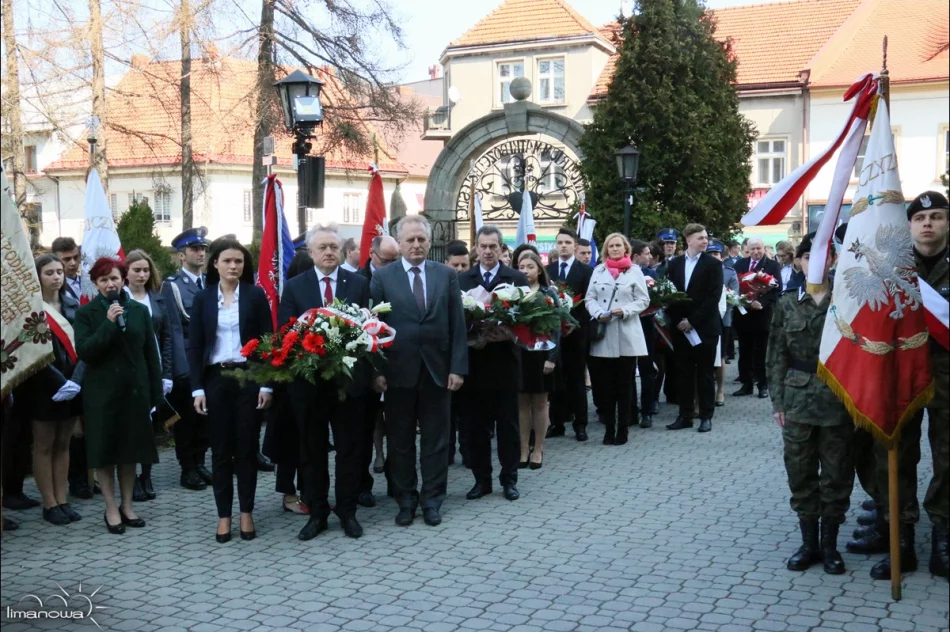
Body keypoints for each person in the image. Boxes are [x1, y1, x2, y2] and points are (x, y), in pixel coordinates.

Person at [868, 191, 949, 581]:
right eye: (920, 218)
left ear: (947, 222)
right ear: (909, 226)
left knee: (948, 459)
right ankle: (900, 539)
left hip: (947, 375)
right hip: (900, 374)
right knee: (896, 456)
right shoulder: (891, 267)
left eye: (936, 216)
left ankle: (943, 540)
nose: (928, 223)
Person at [371, 216, 468, 527]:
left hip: (437, 371)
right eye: (410, 240)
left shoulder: (445, 275)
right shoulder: (383, 278)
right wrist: (377, 371)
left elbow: (457, 325)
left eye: (421, 240)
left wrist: (457, 368)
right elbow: (371, 328)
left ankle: (432, 499)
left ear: (429, 243)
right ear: (399, 243)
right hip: (398, 372)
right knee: (399, 441)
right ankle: (406, 499)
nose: (416, 245)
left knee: (436, 441)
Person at [767, 233, 853, 575]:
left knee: (836, 475)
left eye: (822, 255)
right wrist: (778, 401)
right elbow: (776, 355)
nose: (814, 261)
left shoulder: (848, 300)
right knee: (800, 473)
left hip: (838, 399)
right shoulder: (788, 303)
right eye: (807, 256)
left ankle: (830, 545)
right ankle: (809, 544)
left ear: (832, 260)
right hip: (798, 398)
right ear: (799, 262)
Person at [278, 226, 370, 541]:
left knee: (350, 449)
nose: (329, 252)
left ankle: (347, 511)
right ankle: (317, 513)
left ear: (342, 251)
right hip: (310, 385)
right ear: (311, 253)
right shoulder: (294, 287)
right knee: (312, 450)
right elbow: (286, 332)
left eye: (333, 246)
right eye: (322, 247)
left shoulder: (358, 284)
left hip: (348, 384)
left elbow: (366, 330)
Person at [189, 239, 273, 543]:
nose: (233, 266)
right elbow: (195, 345)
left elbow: (267, 342)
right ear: (215, 264)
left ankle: (246, 513)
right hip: (215, 379)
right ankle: (224, 515)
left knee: (247, 447)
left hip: (248, 378)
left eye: (238, 261)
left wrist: (266, 383)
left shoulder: (254, 296)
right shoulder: (203, 299)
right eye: (227, 261)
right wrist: (197, 388)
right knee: (221, 449)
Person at [74, 257, 162, 535]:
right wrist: (109, 323)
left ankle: (127, 506)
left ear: (122, 278)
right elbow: (86, 351)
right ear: (96, 284)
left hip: (134, 392)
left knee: (129, 452)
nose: (110, 284)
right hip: (102, 394)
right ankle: (110, 508)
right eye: (103, 280)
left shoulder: (137, 310)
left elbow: (150, 353)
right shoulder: (86, 314)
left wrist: (155, 394)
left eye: (114, 278)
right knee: (105, 453)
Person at [458, 225, 528, 501]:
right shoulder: (463, 280)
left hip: (505, 363)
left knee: (508, 425)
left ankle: (509, 479)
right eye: (483, 246)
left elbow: (527, 321)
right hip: (474, 364)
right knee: (475, 427)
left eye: (493, 247)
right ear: (475, 248)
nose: (488, 251)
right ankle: (481, 480)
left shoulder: (516, 278)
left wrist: (508, 334)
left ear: (501, 249)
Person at [13, 254, 85, 525]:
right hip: (44, 387)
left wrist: (76, 381)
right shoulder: (31, 309)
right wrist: (58, 382)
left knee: (64, 444)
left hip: (72, 384)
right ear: (37, 276)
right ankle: (49, 503)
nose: (56, 277)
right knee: (44, 445)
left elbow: (83, 347)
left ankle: (62, 498)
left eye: (59, 272)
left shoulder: (72, 304)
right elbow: (30, 352)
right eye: (49, 273)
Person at [586, 233, 650, 445]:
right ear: (606, 250)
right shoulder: (598, 270)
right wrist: (597, 313)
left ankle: (623, 428)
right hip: (604, 334)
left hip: (626, 332)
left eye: (618, 246)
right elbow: (589, 298)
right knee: (605, 386)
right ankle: (608, 428)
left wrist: (624, 310)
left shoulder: (635, 271)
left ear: (625, 249)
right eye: (611, 246)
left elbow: (643, 300)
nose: (614, 249)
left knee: (624, 385)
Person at [162, 227, 213, 491]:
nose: (201, 253)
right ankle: (187, 468)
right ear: (182, 256)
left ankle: (201, 462)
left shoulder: (210, 283)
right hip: (188, 364)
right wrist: (181, 371)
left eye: (203, 249)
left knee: (205, 418)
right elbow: (172, 329)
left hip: (210, 361)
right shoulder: (173, 286)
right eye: (195, 249)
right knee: (187, 420)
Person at [124, 250, 176, 501]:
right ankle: (130, 478)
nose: (142, 275)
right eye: (136, 270)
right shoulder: (119, 299)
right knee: (131, 428)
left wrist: (167, 373)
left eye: (146, 270)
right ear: (126, 272)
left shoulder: (157, 299)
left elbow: (166, 338)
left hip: (153, 370)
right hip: (129, 373)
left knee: (149, 429)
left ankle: (147, 476)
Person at [664, 224, 723, 433]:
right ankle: (685, 415)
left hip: (705, 327)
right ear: (688, 240)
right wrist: (679, 320)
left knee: (705, 374)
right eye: (700, 238)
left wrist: (693, 321)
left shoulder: (713, 264)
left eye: (706, 238)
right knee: (683, 373)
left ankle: (706, 416)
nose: (705, 241)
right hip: (681, 328)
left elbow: (713, 297)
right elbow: (668, 295)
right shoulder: (675, 264)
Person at [356, 234, 400, 506]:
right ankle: (363, 486)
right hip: (368, 368)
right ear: (372, 255)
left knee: (398, 427)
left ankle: (397, 483)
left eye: (396, 259)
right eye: (387, 260)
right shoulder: (358, 282)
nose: (393, 265)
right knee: (364, 426)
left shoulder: (399, 278)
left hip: (398, 364)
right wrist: (373, 372)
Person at [51, 236, 95, 498]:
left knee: (89, 425)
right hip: (66, 369)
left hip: (90, 362)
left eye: (76, 257)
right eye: (65, 259)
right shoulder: (54, 289)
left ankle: (89, 477)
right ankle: (75, 481)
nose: (73, 263)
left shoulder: (87, 283)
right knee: (73, 431)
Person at [545, 228, 592, 441]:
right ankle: (557, 422)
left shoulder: (585, 271)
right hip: (554, 334)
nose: (563, 246)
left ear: (574, 245)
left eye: (567, 242)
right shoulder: (548, 270)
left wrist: (577, 323)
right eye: (560, 242)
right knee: (556, 379)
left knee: (576, 379)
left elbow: (589, 302)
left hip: (576, 332)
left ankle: (580, 424)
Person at [516, 251, 560, 467]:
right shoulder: (513, 293)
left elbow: (556, 328)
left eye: (530, 267)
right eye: (521, 267)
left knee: (540, 402)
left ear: (539, 270)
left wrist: (552, 358)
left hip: (542, 354)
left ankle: (539, 449)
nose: (525, 271)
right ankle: (523, 448)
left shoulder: (548, 293)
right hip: (521, 354)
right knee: (522, 403)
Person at [732, 237, 781, 399]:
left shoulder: (772, 265)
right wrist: (743, 301)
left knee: (761, 351)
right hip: (744, 314)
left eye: (758, 248)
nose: (756, 252)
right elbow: (733, 288)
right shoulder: (739, 265)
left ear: (764, 248)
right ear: (747, 249)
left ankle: (762, 385)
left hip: (762, 314)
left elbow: (776, 289)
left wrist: (761, 302)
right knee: (745, 350)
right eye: (752, 249)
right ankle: (746, 384)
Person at [706, 240, 738, 406]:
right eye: (710, 253)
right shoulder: (702, 270)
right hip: (704, 320)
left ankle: (720, 390)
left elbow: (734, 296)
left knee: (721, 357)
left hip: (723, 320)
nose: (713, 256)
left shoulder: (729, 272)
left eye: (716, 254)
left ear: (721, 256)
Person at [630, 239, 657, 427]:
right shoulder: (623, 273)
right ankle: (630, 410)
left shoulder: (651, 273)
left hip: (647, 326)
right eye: (646, 253)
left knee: (647, 369)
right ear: (636, 256)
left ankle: (647, 410)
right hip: (628, 325)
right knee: (628, 369)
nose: (650, 256)